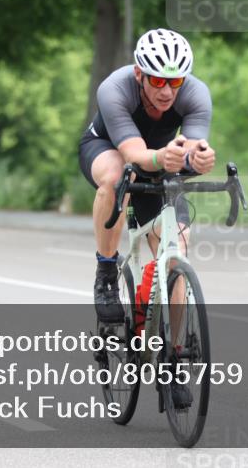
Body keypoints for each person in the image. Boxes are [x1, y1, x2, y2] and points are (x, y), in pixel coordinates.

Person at [78, 28, 216, 325]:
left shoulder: (196, 94)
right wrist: (163, 157)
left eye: (175, 81)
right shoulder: (114, 88)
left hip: (159, 158)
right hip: (108, 149)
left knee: (176, 250)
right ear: (139, 73)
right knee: (118, 177)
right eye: (157, 80)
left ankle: (174, 346)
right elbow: (134, 154)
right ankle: (106, 273)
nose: (166, 91)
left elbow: (190, 147)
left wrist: (197, 158)